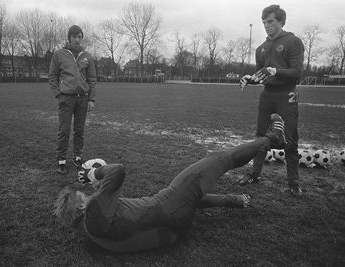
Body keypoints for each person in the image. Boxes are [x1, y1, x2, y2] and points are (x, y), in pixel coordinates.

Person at [54, 114, 286, 253]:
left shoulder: (88, 230)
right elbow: (117, 171)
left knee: (187, 196)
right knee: (215, 158)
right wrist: (97, 173)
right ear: (82, 208)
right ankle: (273, 139)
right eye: (84, 197)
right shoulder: (94, 214)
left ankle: (232, 201)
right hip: (167, 210)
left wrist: (100, 192)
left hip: (172, 233)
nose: (90, 196)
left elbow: (109, 210)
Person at [238, 5, 304, 196]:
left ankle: (293, 182)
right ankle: (254, 174)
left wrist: (275, 71)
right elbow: (261, 76)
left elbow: (297, 73)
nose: (266, 25)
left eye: (270, 21)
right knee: (260, 137)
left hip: (287, 96)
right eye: (264, 22)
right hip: (267, 96)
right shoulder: (261, 48)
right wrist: (249, 79)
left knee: (290, 139)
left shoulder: (293, 42)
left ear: (281, 21)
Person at [49, 25, 97, 175]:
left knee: (79, 130)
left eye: (80, 37)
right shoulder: (59, 55)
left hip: (82, 99)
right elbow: (52, 76)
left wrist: (92, 99)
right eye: (75, 36)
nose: (78, 39)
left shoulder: (87, 56)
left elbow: (92, 79)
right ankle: (61, 160)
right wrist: (59, 94)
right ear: (69, 38)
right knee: (64, 130)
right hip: (66, 99)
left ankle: (77, 157)